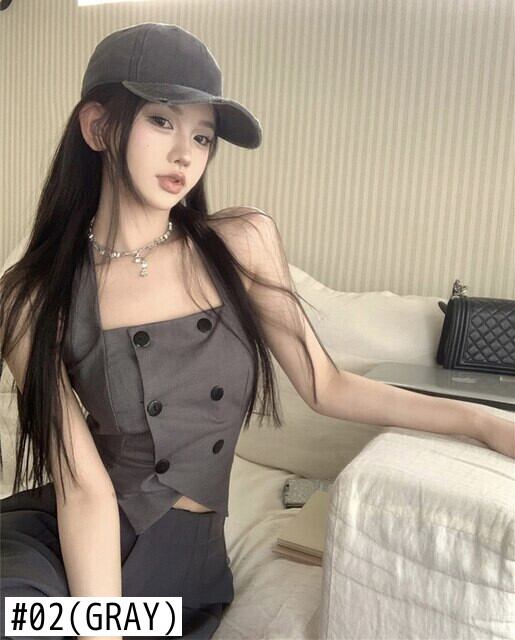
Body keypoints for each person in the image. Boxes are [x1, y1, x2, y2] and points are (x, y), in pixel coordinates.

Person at [0, 20, 513, 640]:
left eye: (202, 135)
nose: (186, 154)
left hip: (183, 568)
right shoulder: (32, 296)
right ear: (98, 127)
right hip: (71, 545)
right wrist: (96, 627)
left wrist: (483, 421)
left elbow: (326, 385)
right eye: (161, 120)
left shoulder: (240, 242)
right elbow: (83, 488)